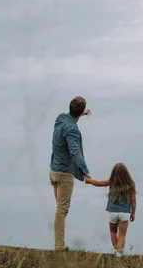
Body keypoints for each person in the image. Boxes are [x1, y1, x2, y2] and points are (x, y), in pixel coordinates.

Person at [49, 96, 92, 251]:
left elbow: (71, 119)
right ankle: (59, 247)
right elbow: (75, 152)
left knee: (59, 208)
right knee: (62, 209)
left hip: (53, 171)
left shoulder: (60, 118)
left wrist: (82, 114)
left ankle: (59, 244)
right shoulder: (72, 130)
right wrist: (85, 172)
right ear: (79, 111)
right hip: (64, 174)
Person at [85, 162, 137, 257]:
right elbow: (133, 200)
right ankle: (119, 253)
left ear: (113, 173)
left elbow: (98, 183)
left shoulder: (111, 181)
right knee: (122, 235)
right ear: (126, 173)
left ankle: (116, 250)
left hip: (112, 213)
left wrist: (89, 181)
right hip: (124, 213)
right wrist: (133, 213)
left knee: (113, 232)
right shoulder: (131, 184)